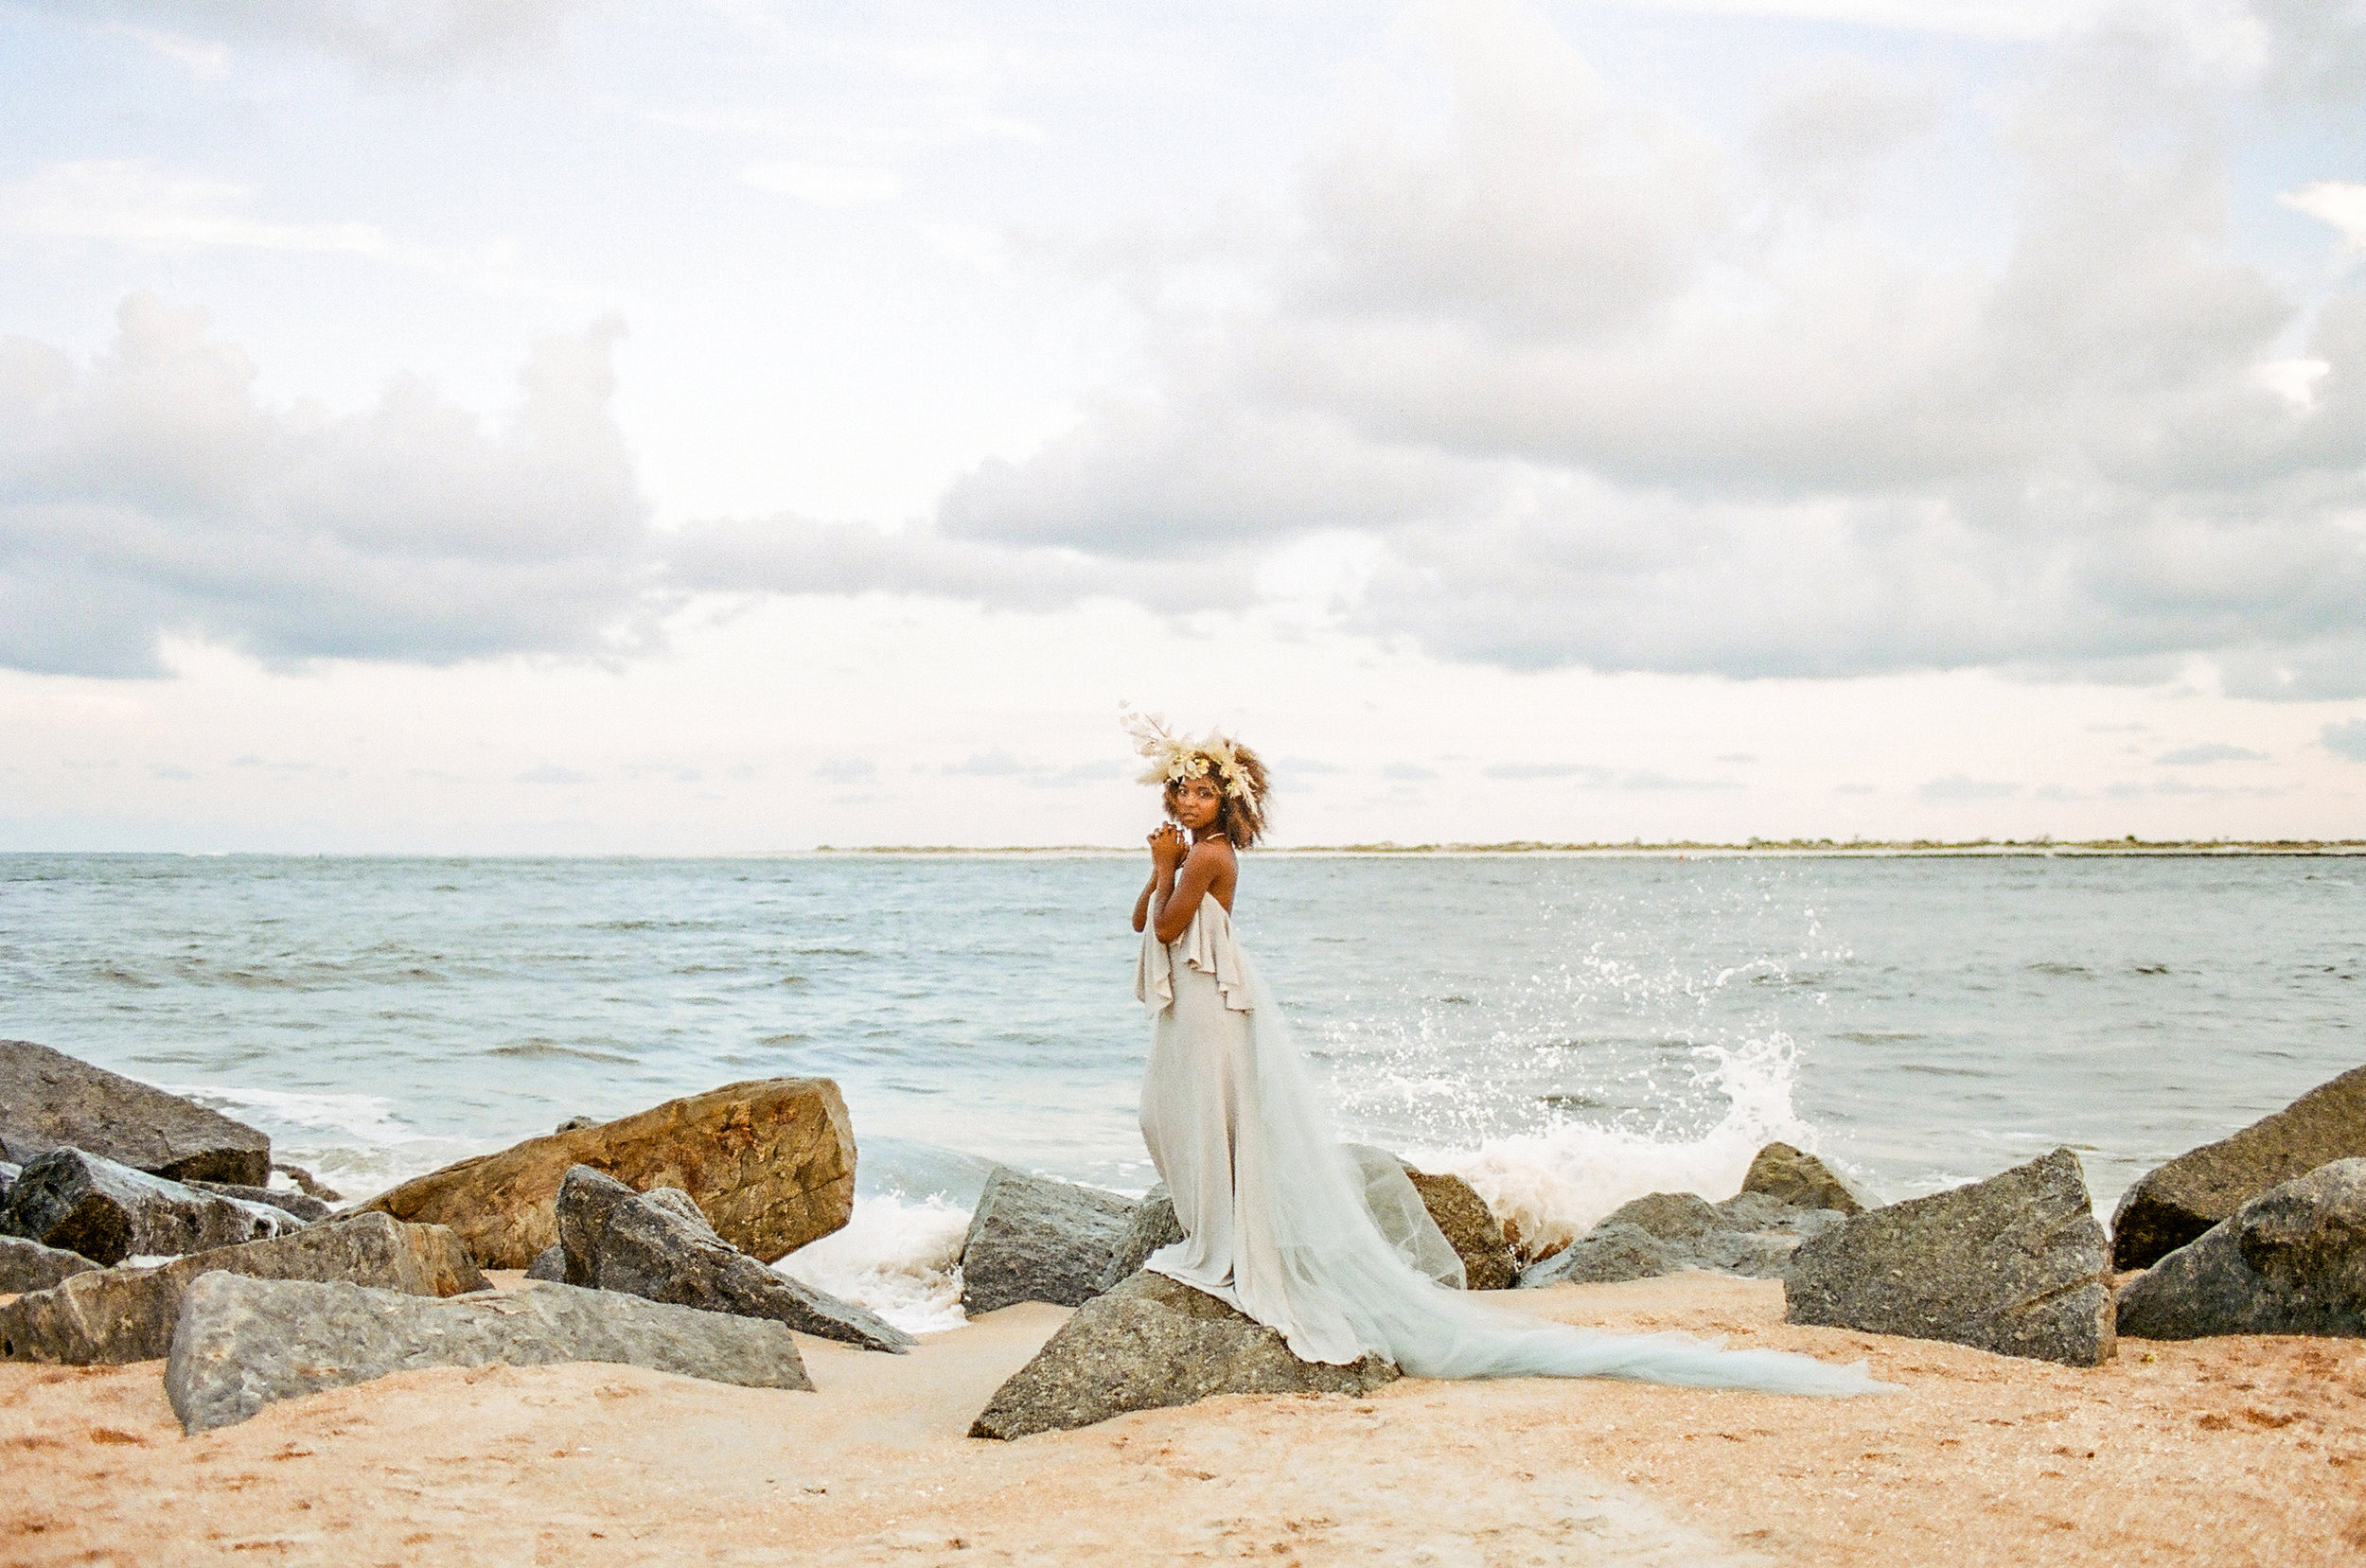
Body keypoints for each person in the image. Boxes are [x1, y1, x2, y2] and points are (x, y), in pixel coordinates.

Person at [1121, 710, 1889, 1396]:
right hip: (1197, 1002)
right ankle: (1216, 1230)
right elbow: (1140, 920)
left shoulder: (1208, 856)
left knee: (1192, 1111)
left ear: (1226, 802)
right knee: (1175, 1110)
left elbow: (1164, 927)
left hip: (1210, 1007)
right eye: (1181, 792)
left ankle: (1220, 1239)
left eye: (1200, 792)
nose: (1188, 802)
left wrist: (1164, 868)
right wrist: (1156, 871)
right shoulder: (1187, 856)